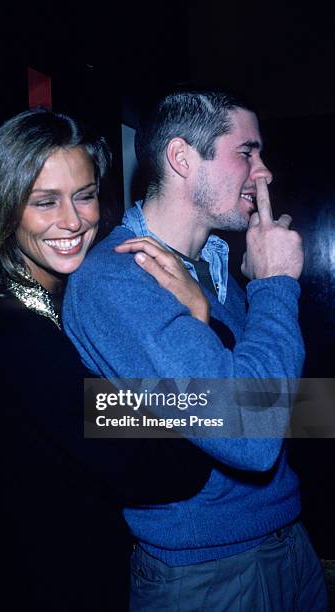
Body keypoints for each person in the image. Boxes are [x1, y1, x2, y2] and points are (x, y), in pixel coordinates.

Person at [63, 90, 329, 610]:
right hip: (209, 574)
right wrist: (275, 286)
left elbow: (296, 410)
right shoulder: (117, 278)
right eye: (247, 152)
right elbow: (253, 434)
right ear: (183, 159)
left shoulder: (217, 267)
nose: (264, 171)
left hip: (288, 541)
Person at [0, 107, 212, 611]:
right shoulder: (11, 334)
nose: (72, 220)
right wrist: (196, 325)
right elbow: (162, 470)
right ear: (2, 209)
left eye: (85, 195)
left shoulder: (61, 301)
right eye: (44, 202)